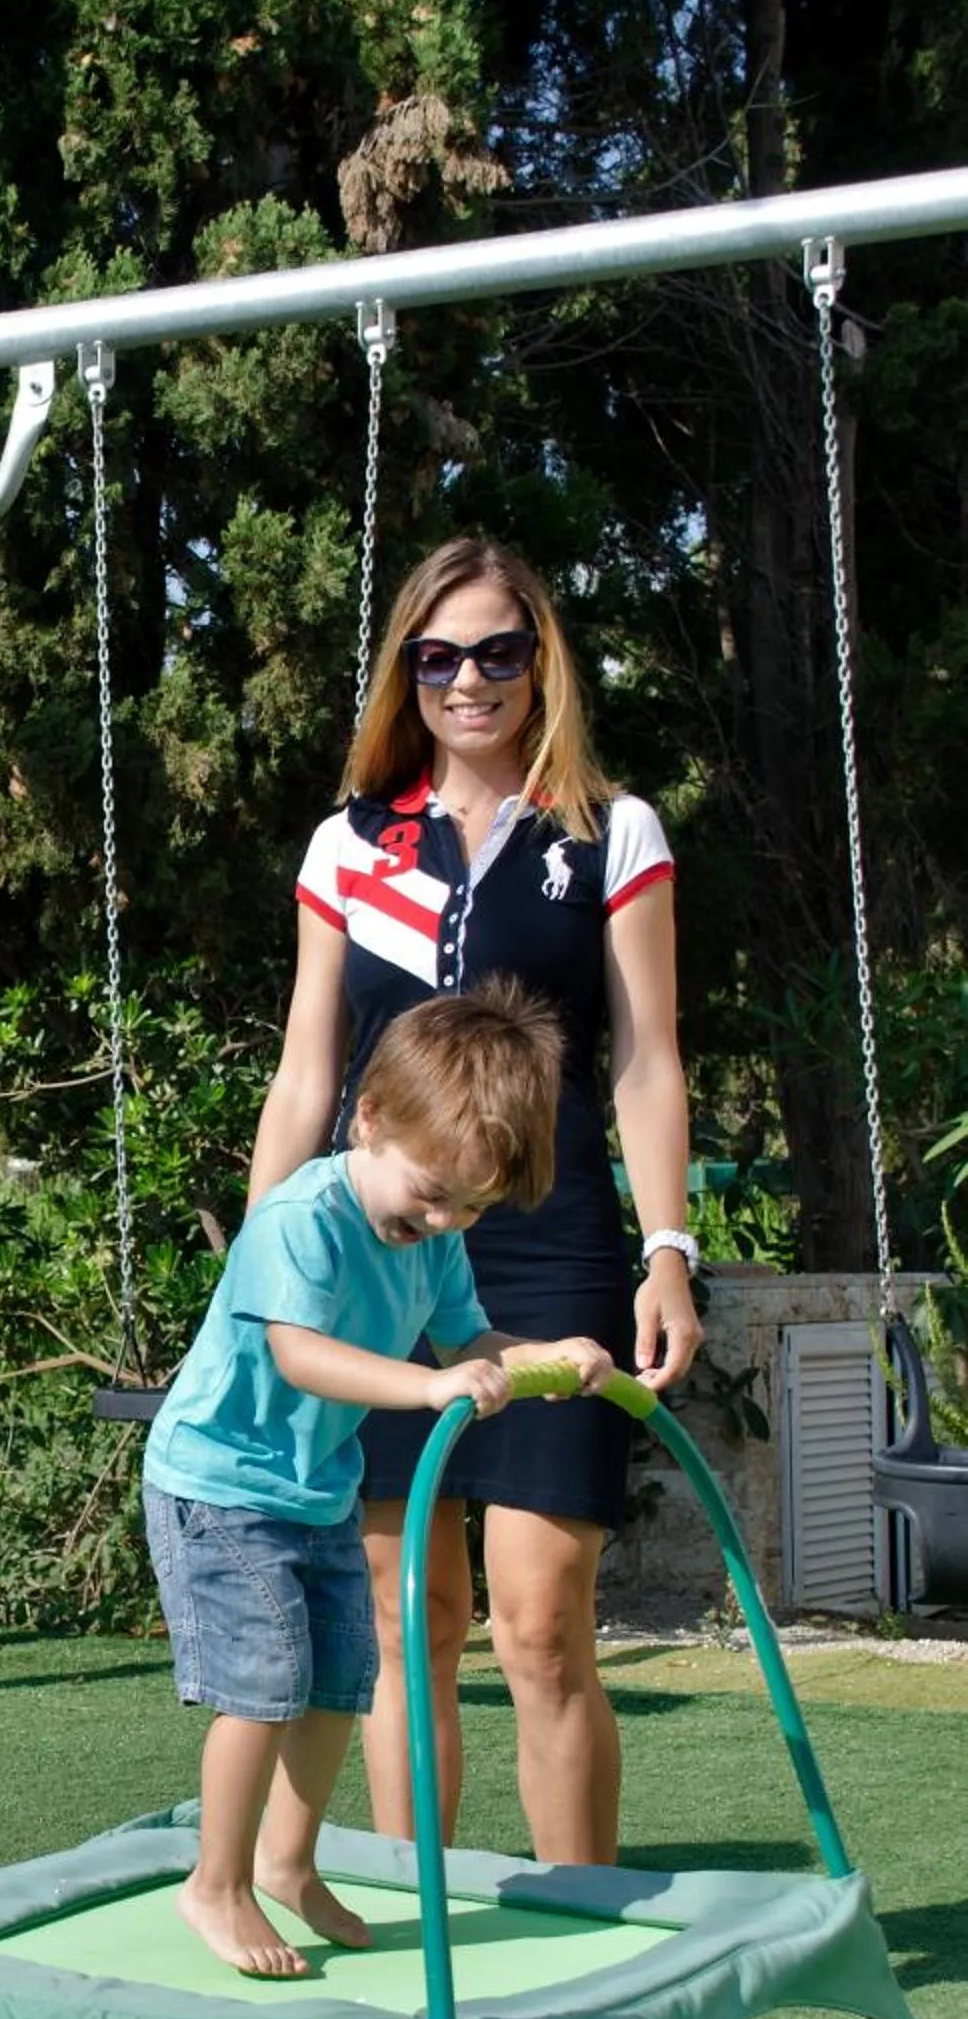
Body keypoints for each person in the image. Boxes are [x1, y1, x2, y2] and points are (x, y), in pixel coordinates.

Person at [247, 537, 702, 1869]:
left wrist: (667, 1250)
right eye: (437, 655)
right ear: (405, 670)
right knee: (409, 1622)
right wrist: (263, 1267)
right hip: (374, 1256)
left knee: (543, 1624)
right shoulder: (351, 843)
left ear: (538, 660)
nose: (468, 680)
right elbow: (307, 1073)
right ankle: (423, 1917)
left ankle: (584, 1916)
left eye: (498, 650)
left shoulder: (608, 831)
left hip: (552, 1248)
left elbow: (647, 1061)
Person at [144, 979, 612, 1977]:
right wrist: (429, 1387)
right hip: (219, 1484)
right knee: (263, 1687)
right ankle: (214, 1884)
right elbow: (300, 1354)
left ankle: (285, 1864)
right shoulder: (301, 1219)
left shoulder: (436, 1241)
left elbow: (468, 1340)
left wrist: (548, 1356)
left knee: (335, 1683)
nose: (442, 1219)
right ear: (367, 1120)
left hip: (315, 1486)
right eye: (431, 1191)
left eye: (470, 1207)